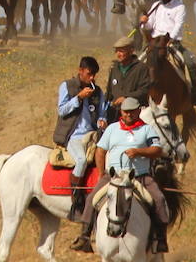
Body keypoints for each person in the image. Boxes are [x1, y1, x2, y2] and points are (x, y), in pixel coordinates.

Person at [71, 97, 171, 254]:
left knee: (159, 199)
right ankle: (84, 236)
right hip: (114, 176)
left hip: (139, 176)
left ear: (139, 111)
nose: (128, 115)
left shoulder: (147, 129)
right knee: (92, 198)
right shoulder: (112, 128)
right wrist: (101, 172)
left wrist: (139, 151)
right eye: (125, 111)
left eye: (132, 111)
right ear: (121, 112)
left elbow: (157, 150)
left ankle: (160, 239)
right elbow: (100, 151)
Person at [141, 0, 196, 106]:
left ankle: (195, 92)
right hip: (154, 43)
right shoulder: (156, 6)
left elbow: (178, 26)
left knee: (190, 63)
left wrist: (169, 40)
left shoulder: (180, 7)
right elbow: (149, 26)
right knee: (138, 63)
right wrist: (144, 23)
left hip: (172, 42)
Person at [52, 56, 106, 222]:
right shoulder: (67, 86)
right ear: (80, 71)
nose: (92, 78)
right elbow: (62, 110)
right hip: (73, 135)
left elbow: (102, 111)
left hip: (92, 134)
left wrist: (101, 120)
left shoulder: (98, 91)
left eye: (94, 75)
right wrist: (79, 98)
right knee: (81, 161)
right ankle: (76, 201)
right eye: (89, 74)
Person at [105, 34, 153, 114]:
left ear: (131, 51)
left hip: (134, 112)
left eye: (121, 51)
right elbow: (109, 92)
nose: (118, 54)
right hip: (115, 112)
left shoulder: (141, 68)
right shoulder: (114, 68)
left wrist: (126, 98)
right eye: (117, 51)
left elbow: (144, 90)